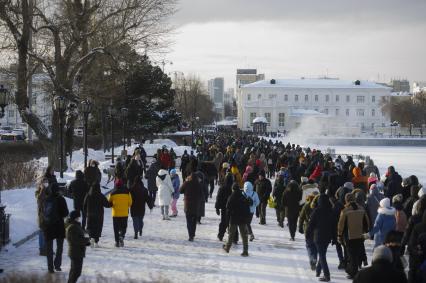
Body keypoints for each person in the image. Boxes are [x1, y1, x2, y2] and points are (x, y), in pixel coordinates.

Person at [337, 193, 369, 279]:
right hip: (360, 235)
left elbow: (341, 224)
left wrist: (339, 235)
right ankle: (355, 269)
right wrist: (365, 231)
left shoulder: (345, 210)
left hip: (349, 236)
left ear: (346, 200)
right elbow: (366, 221)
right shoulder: (361, 208)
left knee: (351, 255)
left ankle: (353, 273)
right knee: (357, 252)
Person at [306, 194, 334, 282]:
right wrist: (334, 237)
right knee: (322, 254)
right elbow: (334, 225)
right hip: (327, 237)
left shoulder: (316, 210)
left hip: (318, 236)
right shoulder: (331, 210)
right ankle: (318, 271)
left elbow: (311, 225)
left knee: (322, 256)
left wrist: (307, 234)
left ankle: (327, 275)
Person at [42, 183, 69, 273]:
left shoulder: (46, 199)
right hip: (59, 225)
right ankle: (57, 265)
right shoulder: (61, 199)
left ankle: (50, 268)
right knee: (59, 246)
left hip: (48, 226)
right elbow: (65, 213)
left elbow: (43, 212)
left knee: (49, 248)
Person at [223, 183, 250, 257]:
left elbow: (228, 210)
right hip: (242, 219)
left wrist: (227, 221)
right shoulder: (243, 196)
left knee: (231, 234)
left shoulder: (231, 197)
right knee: (244, 236)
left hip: (233, 218)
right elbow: (247, 208)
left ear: (233, 189)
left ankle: (227, 248)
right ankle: (245, 251)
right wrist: (247, 218)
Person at [65, 210, 90, 283]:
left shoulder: (76, 225)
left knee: (74, 271)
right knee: (76, 272)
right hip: (75, 252)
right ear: (74, 218)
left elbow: (79, 237)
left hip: (78, 251)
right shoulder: (72, 227)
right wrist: (86, 240)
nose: (79, 218)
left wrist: (86, 242)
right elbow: (76, 240)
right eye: (78, 217)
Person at [83, 183, 110, 248]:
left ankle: (91, 238)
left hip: (90, 214)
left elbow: (84, 205)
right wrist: (112, 203)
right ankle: (96, 242)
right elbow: (107, 204)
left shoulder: (88, 195)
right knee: (98, 228)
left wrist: (86, 212)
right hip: (99, 215)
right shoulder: (101, 195)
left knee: (90, 227)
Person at [108, 179, 132, 247]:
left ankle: (116, 242)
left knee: (116, 228)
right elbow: (130, 203)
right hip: (124, 213)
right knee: (123, 227)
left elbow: (109, 202)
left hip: (115, 213)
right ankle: (121, 235)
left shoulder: (112, 192)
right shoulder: (127, 192)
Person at [180, 173, 201, 241]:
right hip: (196, 205)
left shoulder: (187, 183)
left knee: (188, 221)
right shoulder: (198, 184)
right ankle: (193, 234)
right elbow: (202, 194)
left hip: (188, 205)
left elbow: (180, 191)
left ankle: (190, 235)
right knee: (194, 221)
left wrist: (185, 181)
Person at [215, 172, 234, 241]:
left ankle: (220, 235)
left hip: (224, 208)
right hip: (232, 208)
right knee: (232, 223)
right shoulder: (233, 188)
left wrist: (217, 207)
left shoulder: (222, 187)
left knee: (224, 222)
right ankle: (234, 238)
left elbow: (218, 198)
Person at [35, 175, 49, 256]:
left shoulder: (49, 190)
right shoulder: (38, 192)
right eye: (44, 182)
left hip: (48, 214)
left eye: (47, 182)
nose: (46, 184)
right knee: (42, 232)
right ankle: (42, 249)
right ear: (41, 184)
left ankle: (47, 248)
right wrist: (42, 189)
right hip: (42, 215)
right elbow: (39, 199)